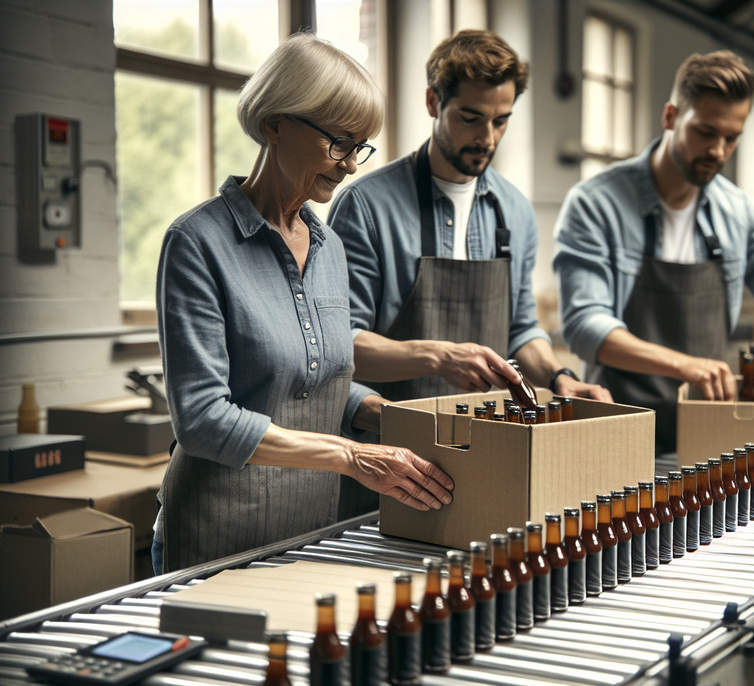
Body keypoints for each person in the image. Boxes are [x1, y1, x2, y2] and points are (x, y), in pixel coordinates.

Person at [152, 34, 453, 574]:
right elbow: (201, 419)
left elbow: (316, 382)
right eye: (339, 142)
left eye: (360, 146)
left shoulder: (328, 246)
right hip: (218, 533)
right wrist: (352, 456)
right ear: (275, 124)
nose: (350, 165)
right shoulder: (197, 242)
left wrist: (388, 416)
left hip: (312, 530)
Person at [329, 30, 610, 516]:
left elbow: (521, 328)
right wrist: (439, 357)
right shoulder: (367, 207)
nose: (487, 138)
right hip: (388, 465)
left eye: (501, 121)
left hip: (488, 461)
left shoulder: (515, 212)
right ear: (433, 101)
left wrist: (561, 375)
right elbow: (339, 346)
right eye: (471, 118)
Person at [553, 50, 754, 454]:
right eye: (706, 132)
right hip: (617, 427)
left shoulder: (739, 212)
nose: (719, 151)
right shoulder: (595, 203)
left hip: (708, 430)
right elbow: (586, 326)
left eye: (732, 138)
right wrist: (685, 365)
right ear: (671, 117)